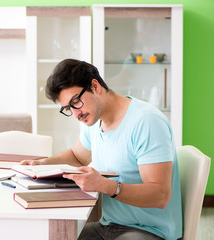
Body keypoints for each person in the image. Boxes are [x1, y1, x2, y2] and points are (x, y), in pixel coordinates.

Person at [21, 59, 182, 240]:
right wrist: (41, 163)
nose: (75, 114)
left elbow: (159, 196)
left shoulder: (146, 122)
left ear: (95, 86)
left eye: (76, 102)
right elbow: (77, 156)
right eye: (68, 108)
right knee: (56, 236)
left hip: (149, 231)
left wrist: (105, 185)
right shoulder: (93, 123)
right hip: (108, 226)